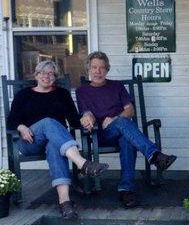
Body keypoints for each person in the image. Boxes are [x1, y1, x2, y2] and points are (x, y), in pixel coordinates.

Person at [7, 60, 108, 220]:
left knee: (55, 147)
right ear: (36, 75)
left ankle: (65, 202)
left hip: (56, 142)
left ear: (55, 77)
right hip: (30, 141)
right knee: (48, 121)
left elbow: (74, 120)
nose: (46, 76)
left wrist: (85, 118)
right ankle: (82, 163)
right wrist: (21, 127)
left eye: (51, 74)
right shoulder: (24, 94)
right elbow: (11, 120)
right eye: (42, 73)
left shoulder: (62, 94)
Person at [76, 51, 177, 208]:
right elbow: (86, 112)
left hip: (123, 131)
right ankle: (155, 155)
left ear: (107, 69)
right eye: (94, 67)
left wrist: (114, 118)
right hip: (102, 134)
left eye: (102, 68)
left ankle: (126, 190)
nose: (98, 71)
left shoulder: (117, 86)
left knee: (126, 138)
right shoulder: (82, 91)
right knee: (124, 123)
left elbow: (130, 110)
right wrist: (88, 118)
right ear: (88, 68)